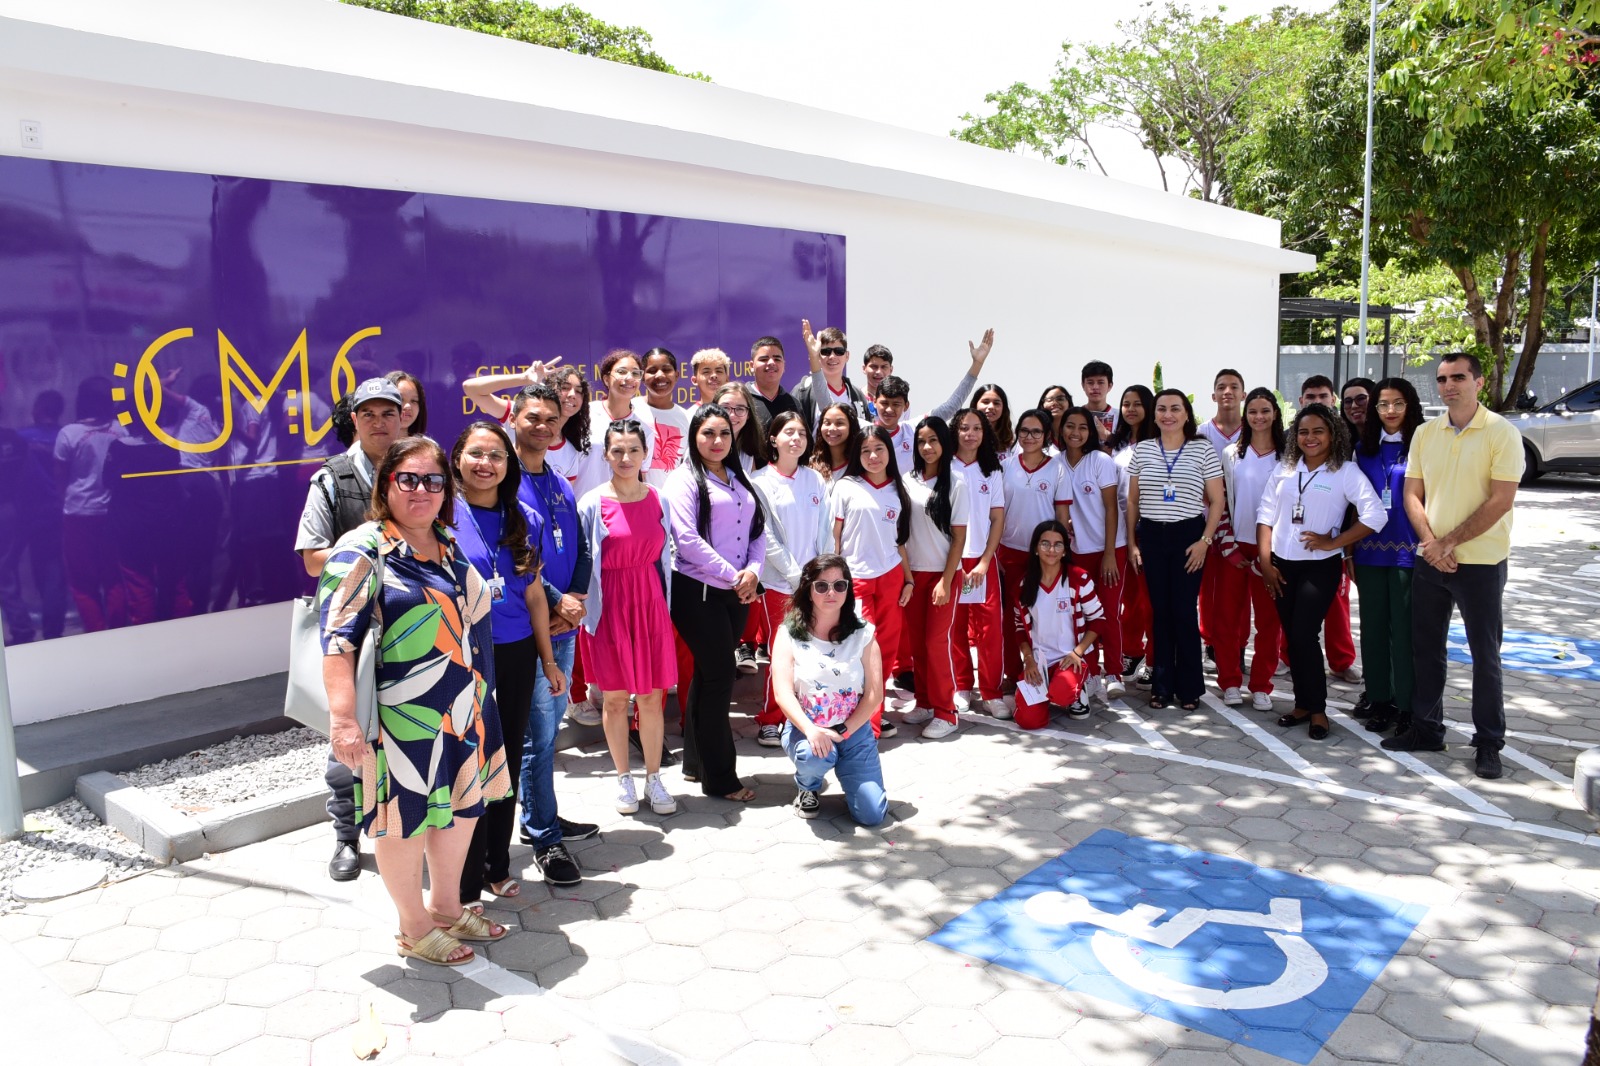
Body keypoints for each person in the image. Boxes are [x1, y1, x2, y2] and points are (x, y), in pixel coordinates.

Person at [320, 436, 511, 966]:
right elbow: (337, 640)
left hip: (463, 707)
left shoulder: (445, 542)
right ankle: (412, 926)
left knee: (461, 809)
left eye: (433, 480)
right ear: (386, 486)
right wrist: (342, 721)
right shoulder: (362, 549)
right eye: (408, 479)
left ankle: (447, 908)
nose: (422, 490)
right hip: (402, 717)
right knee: (404, 819)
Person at [1383, 353, 1523, 781]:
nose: (1449, 385)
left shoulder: (1502, 432)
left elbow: (1501, 499)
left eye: (1458, 377)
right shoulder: (1426, 432)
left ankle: (1488, 743)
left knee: (1485, 655)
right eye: (1442, 378)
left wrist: (1449, 542)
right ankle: (1427, 729)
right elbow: (1411, 494)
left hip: (1480, 562)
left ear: (1479, 382)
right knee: (1426, 649)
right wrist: (1431, 543)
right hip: (1431, 559)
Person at [448, 423, 571, 894]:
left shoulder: (525, 518)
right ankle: (462, 871)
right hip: (462, 652)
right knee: (467, 760)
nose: (486, 464)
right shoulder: (441, 517)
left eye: (496, 456)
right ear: (457, 457)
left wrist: (549, 661)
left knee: (505, 759)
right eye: (476, 453)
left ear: (508, 464)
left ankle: (497, 865)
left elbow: (536, 596)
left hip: (518, 652)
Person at [295, 376, 402, 881]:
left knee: (408, 736)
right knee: (347, 739)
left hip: (410, 628)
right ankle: (345, 838)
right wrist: (368, 550)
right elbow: (313, 559)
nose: (379, 424)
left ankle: (404, 830)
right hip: (354, 634)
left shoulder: (419, 471)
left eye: (389, 414)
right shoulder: (332, 479)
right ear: (354, 420)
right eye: (369, 415)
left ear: (404, 418)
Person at [504, 384, 600, 861]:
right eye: (532, 418)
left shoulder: (560, 480)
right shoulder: (504, 482)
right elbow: (516, 556)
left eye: (550, 420)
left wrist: (576, 600)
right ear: (514, 420)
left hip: (565, 623)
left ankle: (541, 813)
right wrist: (559, 603)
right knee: (538, 735)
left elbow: (582, 547)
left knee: (548, 730)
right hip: (531, 625)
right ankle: (544, 836)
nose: (542, 427)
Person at [1258, 404, 1386, 741]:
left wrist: (1337, 543)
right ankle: (1302, 705)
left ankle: (1318, 711)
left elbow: (1375, 515)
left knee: (1303, 634)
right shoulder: (1284, 470)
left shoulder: (1346, 472)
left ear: (1333, 434)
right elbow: (1265, 514)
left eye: (1318, 431)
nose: (1310, 438)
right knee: (1292, 634)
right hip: (1281, 565)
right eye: (1303, 432)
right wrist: (1265, 562)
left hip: (1320, 567)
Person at [665, 404, 767, 801]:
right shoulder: (683, 480)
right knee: (721, 676)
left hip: (737, 592)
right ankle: (721, 777)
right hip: (699, 592)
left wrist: (753, 573)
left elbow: (758, 531)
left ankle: (696, 763)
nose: (717, 441)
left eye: (724, 433)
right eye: (708, 433)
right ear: (694, 435)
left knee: (710, 677)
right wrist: (734, 575)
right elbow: (686, 539)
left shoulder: (738, 476)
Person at [578, 418, 679, 816]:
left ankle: (654, 778)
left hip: (650, 604)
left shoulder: (658, 498)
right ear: (605, 454)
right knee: (616, 700)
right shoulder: (592, 502)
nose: (625, 457)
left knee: (653, 698)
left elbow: (666, 557)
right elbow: (583, 561)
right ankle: (624, 779)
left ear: (645, 453)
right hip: (611, 607)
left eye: (633, 450)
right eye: (617, 450)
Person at [769, 554, 890, 824]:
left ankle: (850, 774)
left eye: (839, 585)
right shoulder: (788, 633)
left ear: (848, 589)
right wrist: (812, 730)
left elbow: (874, 695)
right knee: (814, 755)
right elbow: (783, 693)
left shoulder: (863, 633)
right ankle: (807, 786)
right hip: (807, 729)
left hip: (853, 731)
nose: (831, 592)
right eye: (821, 586)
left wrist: (843, 731)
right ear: (808, 590)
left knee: (872, 815)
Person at [1126, 389, 1224, 710]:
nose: (1168, 414)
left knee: (1183, 612)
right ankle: (1162, 686)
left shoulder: (1202, 449)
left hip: (1189, 537)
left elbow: (1217, 500)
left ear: (1186, 414)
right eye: (1162, 409)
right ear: (1154, 415)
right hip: (1152, 538)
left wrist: (1204, 542)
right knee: (1160, 612)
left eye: (1175, 409)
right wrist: (1131, 543)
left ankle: (1190, 688)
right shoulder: (1142, 450)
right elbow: (1132, 501)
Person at [751, 411, 833, 747]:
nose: (796, 438)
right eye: (788, 432)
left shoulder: (815, 480)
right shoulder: (758, 481)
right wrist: (797, 575)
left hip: (817, 585)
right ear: (773, 438)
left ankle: (810, 715)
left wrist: (824, 575)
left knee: (814, 651)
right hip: (781, 585)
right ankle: (771, 718)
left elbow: (826, 529)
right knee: (781, 652)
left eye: (801, 432)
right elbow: (766, 536)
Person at [832, 425, 915, 738]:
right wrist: (835, 581)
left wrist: (908, 579)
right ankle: (865, 722)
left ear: (889, 452)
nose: (873, 456)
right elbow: (835, 538)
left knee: (888, 649)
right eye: (866, 450)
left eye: (879, 449)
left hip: (892, 577)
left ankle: (874, 720)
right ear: (857, 455)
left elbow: (900, 540)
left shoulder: (898, 489)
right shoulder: (846, 486)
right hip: (856, 579)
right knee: (863, 650)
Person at [1352, 377, 1424, 735]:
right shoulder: (1362, 448)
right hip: (1368, 553)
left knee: (1405, 633)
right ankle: (1380, 700)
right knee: (1374, 631)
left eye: (1398, 403)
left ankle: (1408, 705)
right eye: (1383, 405)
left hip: (1410, 552)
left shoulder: (1423, 446)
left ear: (1409, 406)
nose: (1390, 411)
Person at [897, 416, 968, 739]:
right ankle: (924, 702)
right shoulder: (906, 480)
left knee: (936, 643)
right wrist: (908, 576)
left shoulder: (957, 483)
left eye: (934, 441)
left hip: (943, 576)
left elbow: (959, 539)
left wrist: (945, 580)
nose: (927, 447)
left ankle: (946, 712)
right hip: (913, 576)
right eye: (922, 441)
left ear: (945, 444)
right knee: (918, 645)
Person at [1287, 375, 1360, 683]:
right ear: (1301, 401)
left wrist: (1343, 541)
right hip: (1294, 541)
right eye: (1309, 396)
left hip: (1334, 540)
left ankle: (1341, 661)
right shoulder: (1293, 441)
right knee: (1291, 606)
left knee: (1336, 604)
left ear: (1333, 400)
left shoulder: (1346, 443)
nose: (1316, 400)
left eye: (1323, 395)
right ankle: (1287, 656)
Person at [1221, 388, 1287, 711]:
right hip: (1236, 545)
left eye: (1265, 411)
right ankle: (1230, 681)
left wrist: (1275, 553)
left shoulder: (1290, 455)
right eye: (1253, 412)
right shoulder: (1232, 454)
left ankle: (1261, 684)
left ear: (1275, 413)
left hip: (1273, 551)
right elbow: (1219, 502)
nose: (1259, 417)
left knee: (1269, 622)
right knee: (1230, 620)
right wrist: (1227, 545)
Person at [997, 409, 1073, 690]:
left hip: (1046, 555)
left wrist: (1058, 552)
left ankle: (1050, 670)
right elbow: (997, 513)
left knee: (1041, 615)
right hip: (1009, 552)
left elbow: (1062, 515)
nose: (1029, 437)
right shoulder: (1005, 465)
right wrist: (995, 552)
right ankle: (1011, 674)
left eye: (1036, 432)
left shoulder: (1057, 468)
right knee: (1010, 618)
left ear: (1046, 436)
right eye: (1025, 431)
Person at [1059, 407, 1126, 701]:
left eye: (1082, 427)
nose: (1075, 432)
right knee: (1085, 616)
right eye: (1070, 426)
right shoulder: (1055, 463)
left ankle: (1114, 671)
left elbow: (1112, 508)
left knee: (1109, 613)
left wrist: (1109, 553)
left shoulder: (1100, 460)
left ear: (1091, 431)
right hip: (1076, 552)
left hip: (1109, 549)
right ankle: (1093, 672)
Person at [1013, 520, 1105, 729]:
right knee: (1028, 721)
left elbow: (1099, 621)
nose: (1051, 550)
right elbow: (1019, 629)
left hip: (1071, 658)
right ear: (1036, 548)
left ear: (1065, 550)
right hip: (1039, 664)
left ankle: (1077, 688)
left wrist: (1078, 653)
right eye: (1045, 544)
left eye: (1058, 544)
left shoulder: (1078, 578)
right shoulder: (1023, 585)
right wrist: (1028, 660)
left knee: (1062, 694)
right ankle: (1042, 693)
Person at [949, 408, 1007, 717]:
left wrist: (985, 561)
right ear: (954, 432)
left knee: (989, 630)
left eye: (977, 428)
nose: (970, 434)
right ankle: (961, 686)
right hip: (951, 561)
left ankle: (992, 692)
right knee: (955, 627)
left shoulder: (992, 469)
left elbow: (997, 518)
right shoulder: (943, 468)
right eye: (964, 428)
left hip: (982, 560)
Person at [1197, 369, 1245, 677]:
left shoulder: (1252, 430)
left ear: (1243, 393)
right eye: (1221, 387)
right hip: (1204, 523)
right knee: (1206, 591)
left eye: (1234, 387)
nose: (1227, 391)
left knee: (1236, 594)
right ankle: (1210, 642)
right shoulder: (1202, 432)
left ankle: (1237, 646)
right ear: (1213, 395)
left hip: (1240, 525)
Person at [1109, 385, 1157, 685]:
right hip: (1118, 531)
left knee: (1150, 600)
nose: (1131, 409)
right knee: (1127, 599)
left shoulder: (1159, 443)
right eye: (1126, 404)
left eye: (1137, 404)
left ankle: (1154, 658)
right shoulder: (1114, 446)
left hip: (1148, 530)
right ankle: (1131, 650)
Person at [792, 321, 872, 431]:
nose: (832, 356)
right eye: (826, 351)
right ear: (817, 355)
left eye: (839, 351)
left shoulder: (857, 394)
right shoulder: (802, 392)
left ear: (847, 356)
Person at [642, 346, 689, 485]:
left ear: (677, 375)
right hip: (637, 501)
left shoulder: (687, 419)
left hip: (673, 502)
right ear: (642, 377)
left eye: (666, 369)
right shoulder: (630, 410)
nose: (660, 375)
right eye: (652, 370)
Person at [749, 336, 799, 430]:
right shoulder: (742, 400)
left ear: (784, 365)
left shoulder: (793, 404)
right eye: (764, 359)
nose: (771, 363)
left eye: (777, 359)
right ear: (752, 366)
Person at [809, 401, 862, 485]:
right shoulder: (811, 466)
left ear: (851, 427)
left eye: (839, 423)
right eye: (827, 423)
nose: (832, 428)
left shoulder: (861, 465)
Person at [973, 383, 1016, 456]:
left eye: (996, 403)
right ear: (975, 405)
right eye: (985, 402)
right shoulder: (966, 439)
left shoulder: (1013, 446)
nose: (991, 407)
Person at [1081, 361, 1118, 441]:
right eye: (1090, 382)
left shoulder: (1120, 417)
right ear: (1083, 385)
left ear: (1110, 386)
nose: (1095, 387)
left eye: (1100, 382)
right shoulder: (1075, 416)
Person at [386, 370, 429, 438]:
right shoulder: (367, 445)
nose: (408, 406)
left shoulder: (427, 447)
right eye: (400, 399)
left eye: (414, 401)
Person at [1037, 385, 1074, 451]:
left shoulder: (1077, 432)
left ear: (1069, 403)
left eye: (1060, 399)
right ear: (1042, 405)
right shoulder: (1036, 434)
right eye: (1049, 400)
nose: (1054, 403)